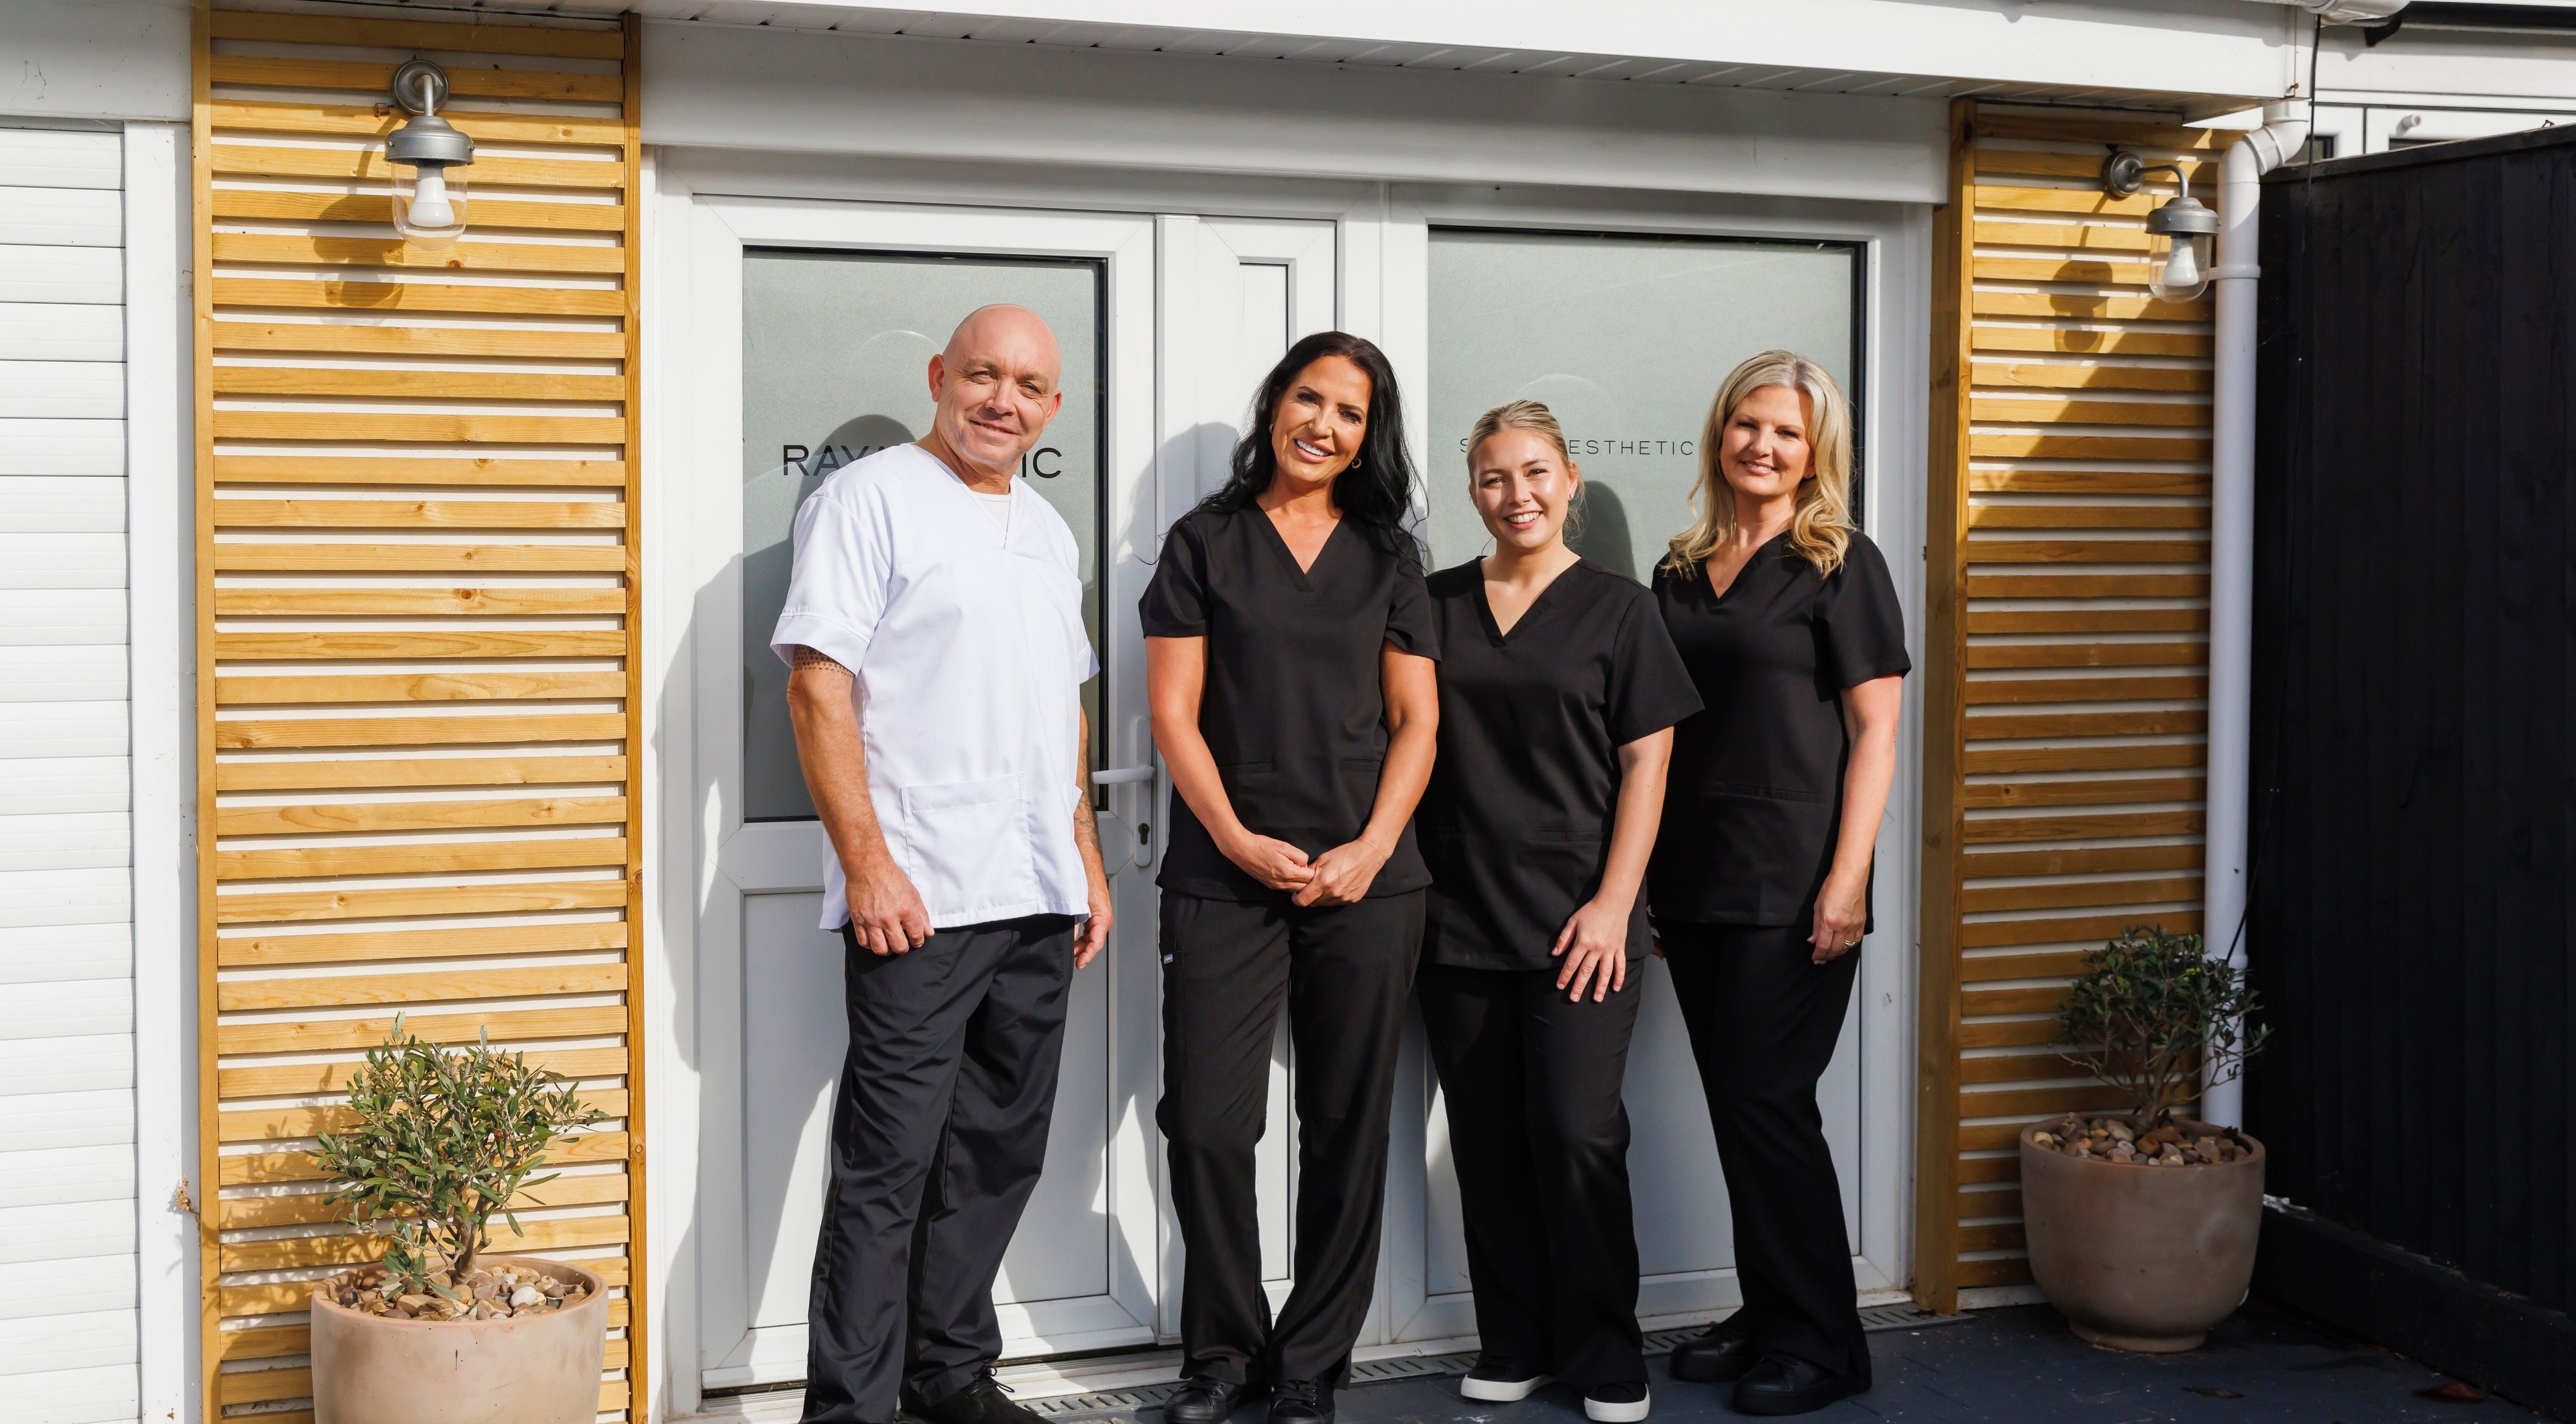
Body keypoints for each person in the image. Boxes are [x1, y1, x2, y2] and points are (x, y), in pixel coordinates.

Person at [774, 305, 1114, 1424]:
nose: (1002, 401)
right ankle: (850, 1411)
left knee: (995, 1153)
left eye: (1027, 386)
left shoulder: (1047, 529)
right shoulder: (867, 500)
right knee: (886, 1168)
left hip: (1036, 894)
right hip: (918, 895)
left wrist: (1085, 852)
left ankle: (948, 1373)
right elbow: (817, 686)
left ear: (1051, 408)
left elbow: (1064, 703)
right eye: (983, 375)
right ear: (939, 376)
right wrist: (866, 864)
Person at [1140, 331, 1440, 1424]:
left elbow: (1417, 721)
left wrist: (1371, 847)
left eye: (1351, 413)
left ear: (1368, 438)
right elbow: (1173, 715)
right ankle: (1224, 1354)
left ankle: (1312, 1360)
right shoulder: (1204, 542)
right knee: (1207, 1125)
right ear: (1275, 405)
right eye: (1309, 398)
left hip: (1368, 880)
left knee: (1345, 1123)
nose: (1324, 424)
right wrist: (1232, 836)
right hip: (1224, 875)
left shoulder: (1389, 556)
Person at [1414, 402, 1701, 1423]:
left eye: (1536, 472)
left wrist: (1615, 904)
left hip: (1584, 922)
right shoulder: (1436, 604)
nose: (1517, 494)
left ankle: (1604, 1349)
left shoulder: (1623, 610)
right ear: (1473, 491)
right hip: (1458, 917)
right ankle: (1516, 1340)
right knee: (1488, 1140)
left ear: (1570, 480)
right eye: (1495, 477)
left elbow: (1649, 765)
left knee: (1577, 1134)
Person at [1648, 351, 1907, 1417]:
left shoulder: (1840, 563)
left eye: (1787, 433)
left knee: (1768, 1103)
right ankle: (1769, 1315)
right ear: (1722, 433)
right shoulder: (1680, 569)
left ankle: (1823, 1345)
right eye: (1748, 424)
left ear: (1816, 453)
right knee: (1737, 1106)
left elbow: (1877, 729)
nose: (1762, 445)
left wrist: (1849, 879)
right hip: (1693, 879)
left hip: (1796, 882)